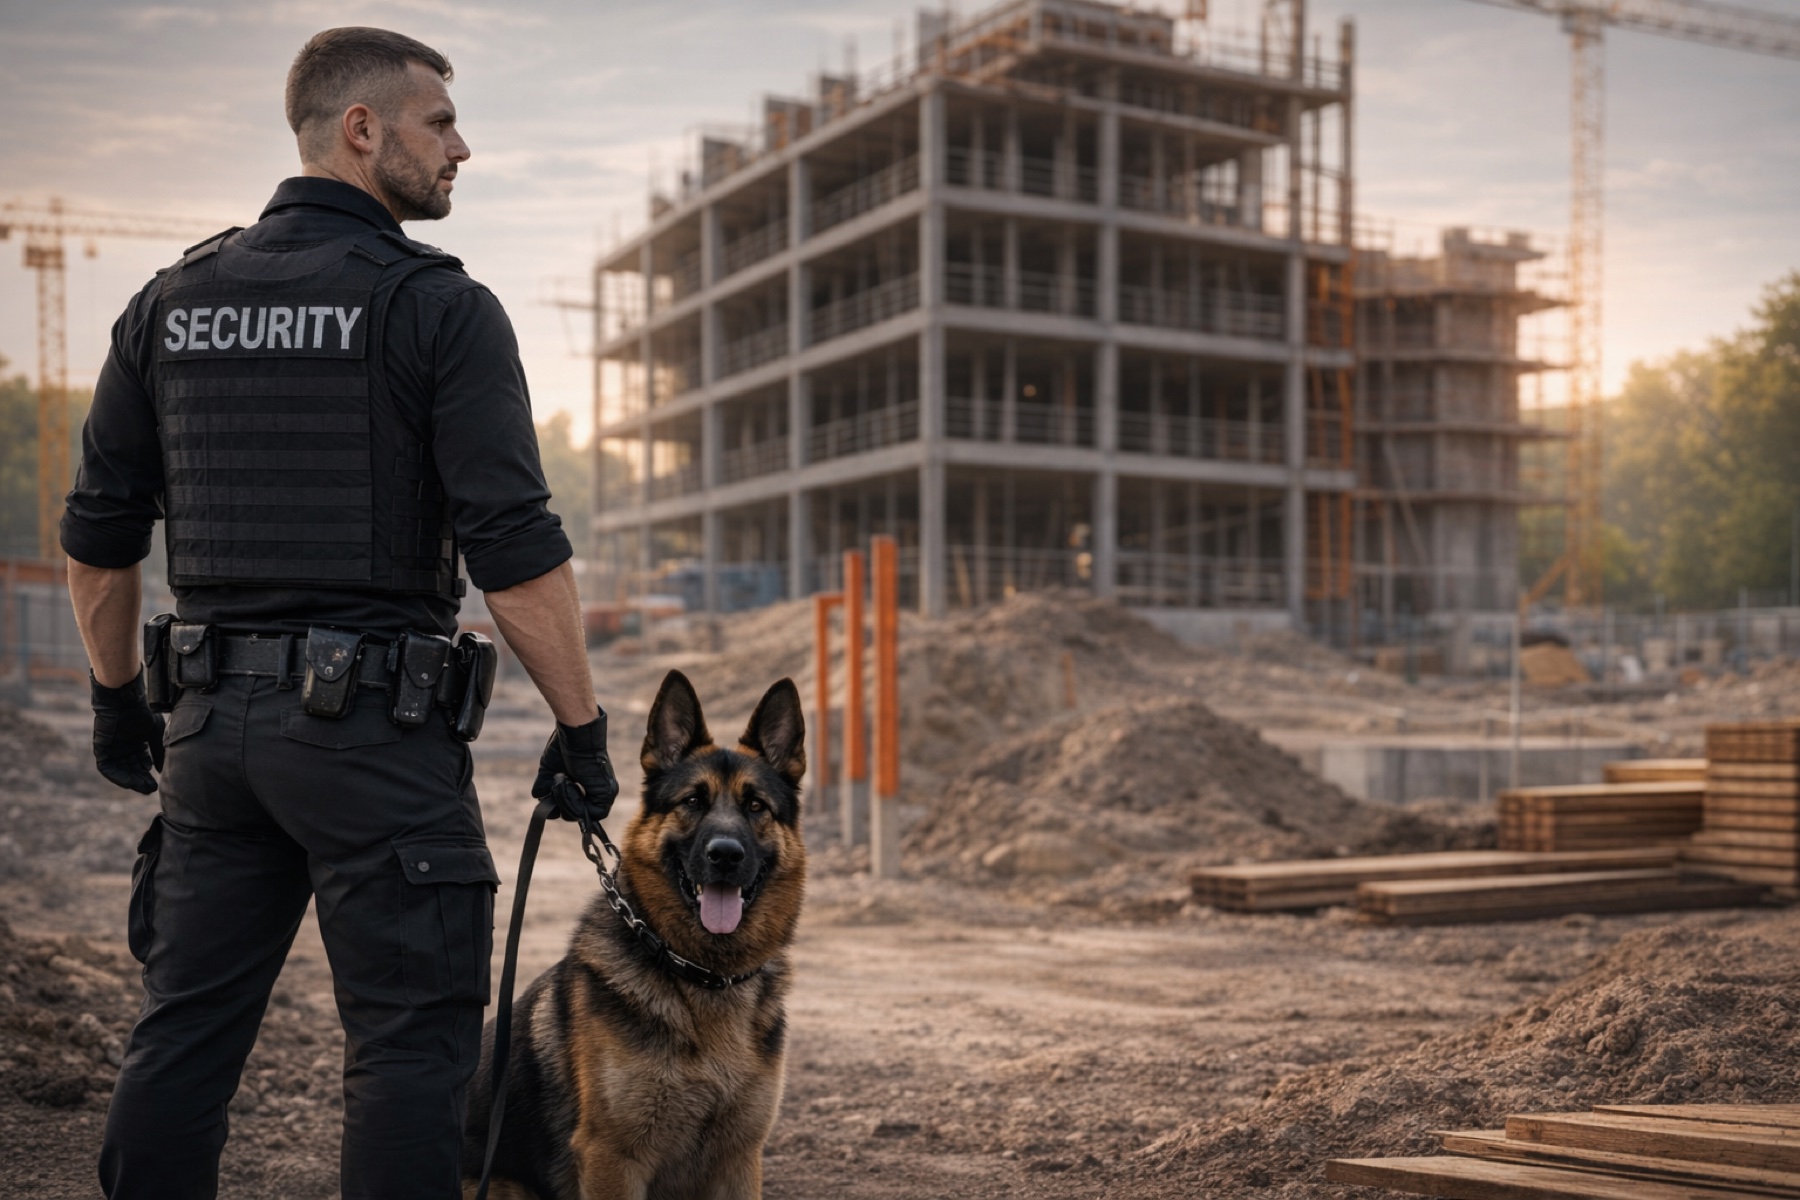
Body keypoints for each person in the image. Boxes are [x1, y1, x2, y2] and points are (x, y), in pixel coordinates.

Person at [61, 27, 619, 1200]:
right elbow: (516, 556)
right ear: (361, 131)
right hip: (374, 740)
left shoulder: (169, 303)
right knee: (411, 1049)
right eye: (439, 123)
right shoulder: (437, 309)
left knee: (185, 1034)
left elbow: (100, 546)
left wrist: (118, 707)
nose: (463, 147)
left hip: (212, 743)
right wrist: (582, 734)